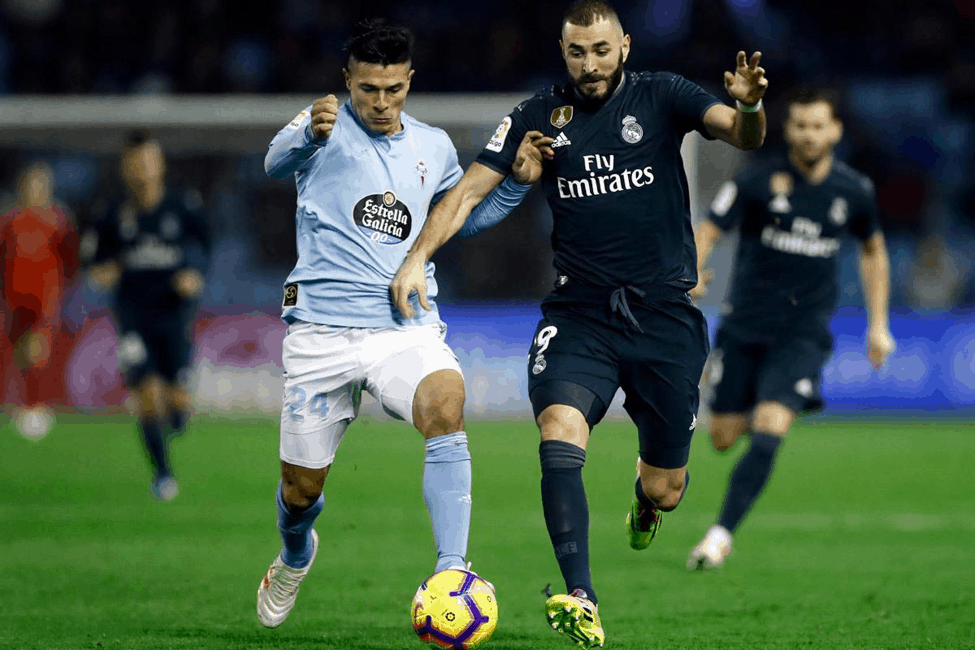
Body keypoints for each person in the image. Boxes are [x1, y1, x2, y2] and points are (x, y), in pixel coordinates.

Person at [390, 1, 768, 646]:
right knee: (558, 430)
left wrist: (752, 107)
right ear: (562, 52)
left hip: (665, 318)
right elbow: (466, 194)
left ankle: (645, 502)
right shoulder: (539, 115)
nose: (589, 64)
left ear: (624, 45)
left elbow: (740, 133)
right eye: (576, 53)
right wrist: (416, 259)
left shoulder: (663, 94)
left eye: (600, 50)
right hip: (579, 314)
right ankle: (580, 594)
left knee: (668, 487)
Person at [256, 19, 540, 630]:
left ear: (410, 80)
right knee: (301, 492)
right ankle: (295, 554)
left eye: (393, 89)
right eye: (368, 90)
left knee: (446, 401)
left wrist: (515, 185)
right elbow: (274, 164)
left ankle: (452, 571)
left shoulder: (433, 146)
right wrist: (307, 129)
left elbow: (461, 214)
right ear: (347, 81)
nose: (381, 103)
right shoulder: (321, 126)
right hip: (320, 334)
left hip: (402, 328)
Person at [686, 87, 894, 570]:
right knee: (721, 437)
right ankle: (745, 404)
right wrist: (694, 269)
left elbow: (873, 250)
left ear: (836, 131)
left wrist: (878, 325)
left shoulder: (853, 190)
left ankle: (719, 536)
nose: (809, 135)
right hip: (744, 326)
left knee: (771, 428)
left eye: (819, 125)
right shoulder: (758, 180)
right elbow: (711, 229)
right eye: (801, 125)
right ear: (788, 129)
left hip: (803, 333)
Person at [85, 130, 211, 501]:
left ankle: (173, 420)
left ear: (160, 164)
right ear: (126, 168)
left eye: (148, 160)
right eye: (135, 162)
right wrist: (104, 273)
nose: (142, 169)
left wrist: (194, 275)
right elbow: (94, 267)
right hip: (133, 319)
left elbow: (203, 249)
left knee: (177, 402)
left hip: (174, 317)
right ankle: (163, 475)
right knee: (148, 396)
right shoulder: (112, 216)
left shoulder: (184, 207)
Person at [0, 161, 80, 438]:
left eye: (40, 185)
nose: (35, 190)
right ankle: (26, 406)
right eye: (31, 184)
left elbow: (70, 260)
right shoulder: (9, 221)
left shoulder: (58, 221)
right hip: (12, 300)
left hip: (45, 299)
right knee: (20, 354)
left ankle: (38, 407)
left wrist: (59, 289)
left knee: (37, 351)